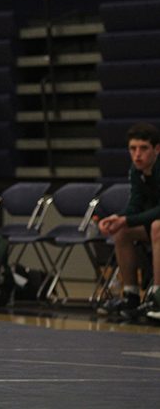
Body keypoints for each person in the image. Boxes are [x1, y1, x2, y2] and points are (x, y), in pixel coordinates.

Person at [96, 123, 160, 321]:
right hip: (152, 222)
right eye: (133, 149)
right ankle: (131, 294)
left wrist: (127, 219)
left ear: (157, 149)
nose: (137, 154)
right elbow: (135, 205)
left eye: (143, 148)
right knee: (122, 231)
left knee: (158, 227)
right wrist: (118, 219)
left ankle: (157, 296)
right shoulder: (136, 171)